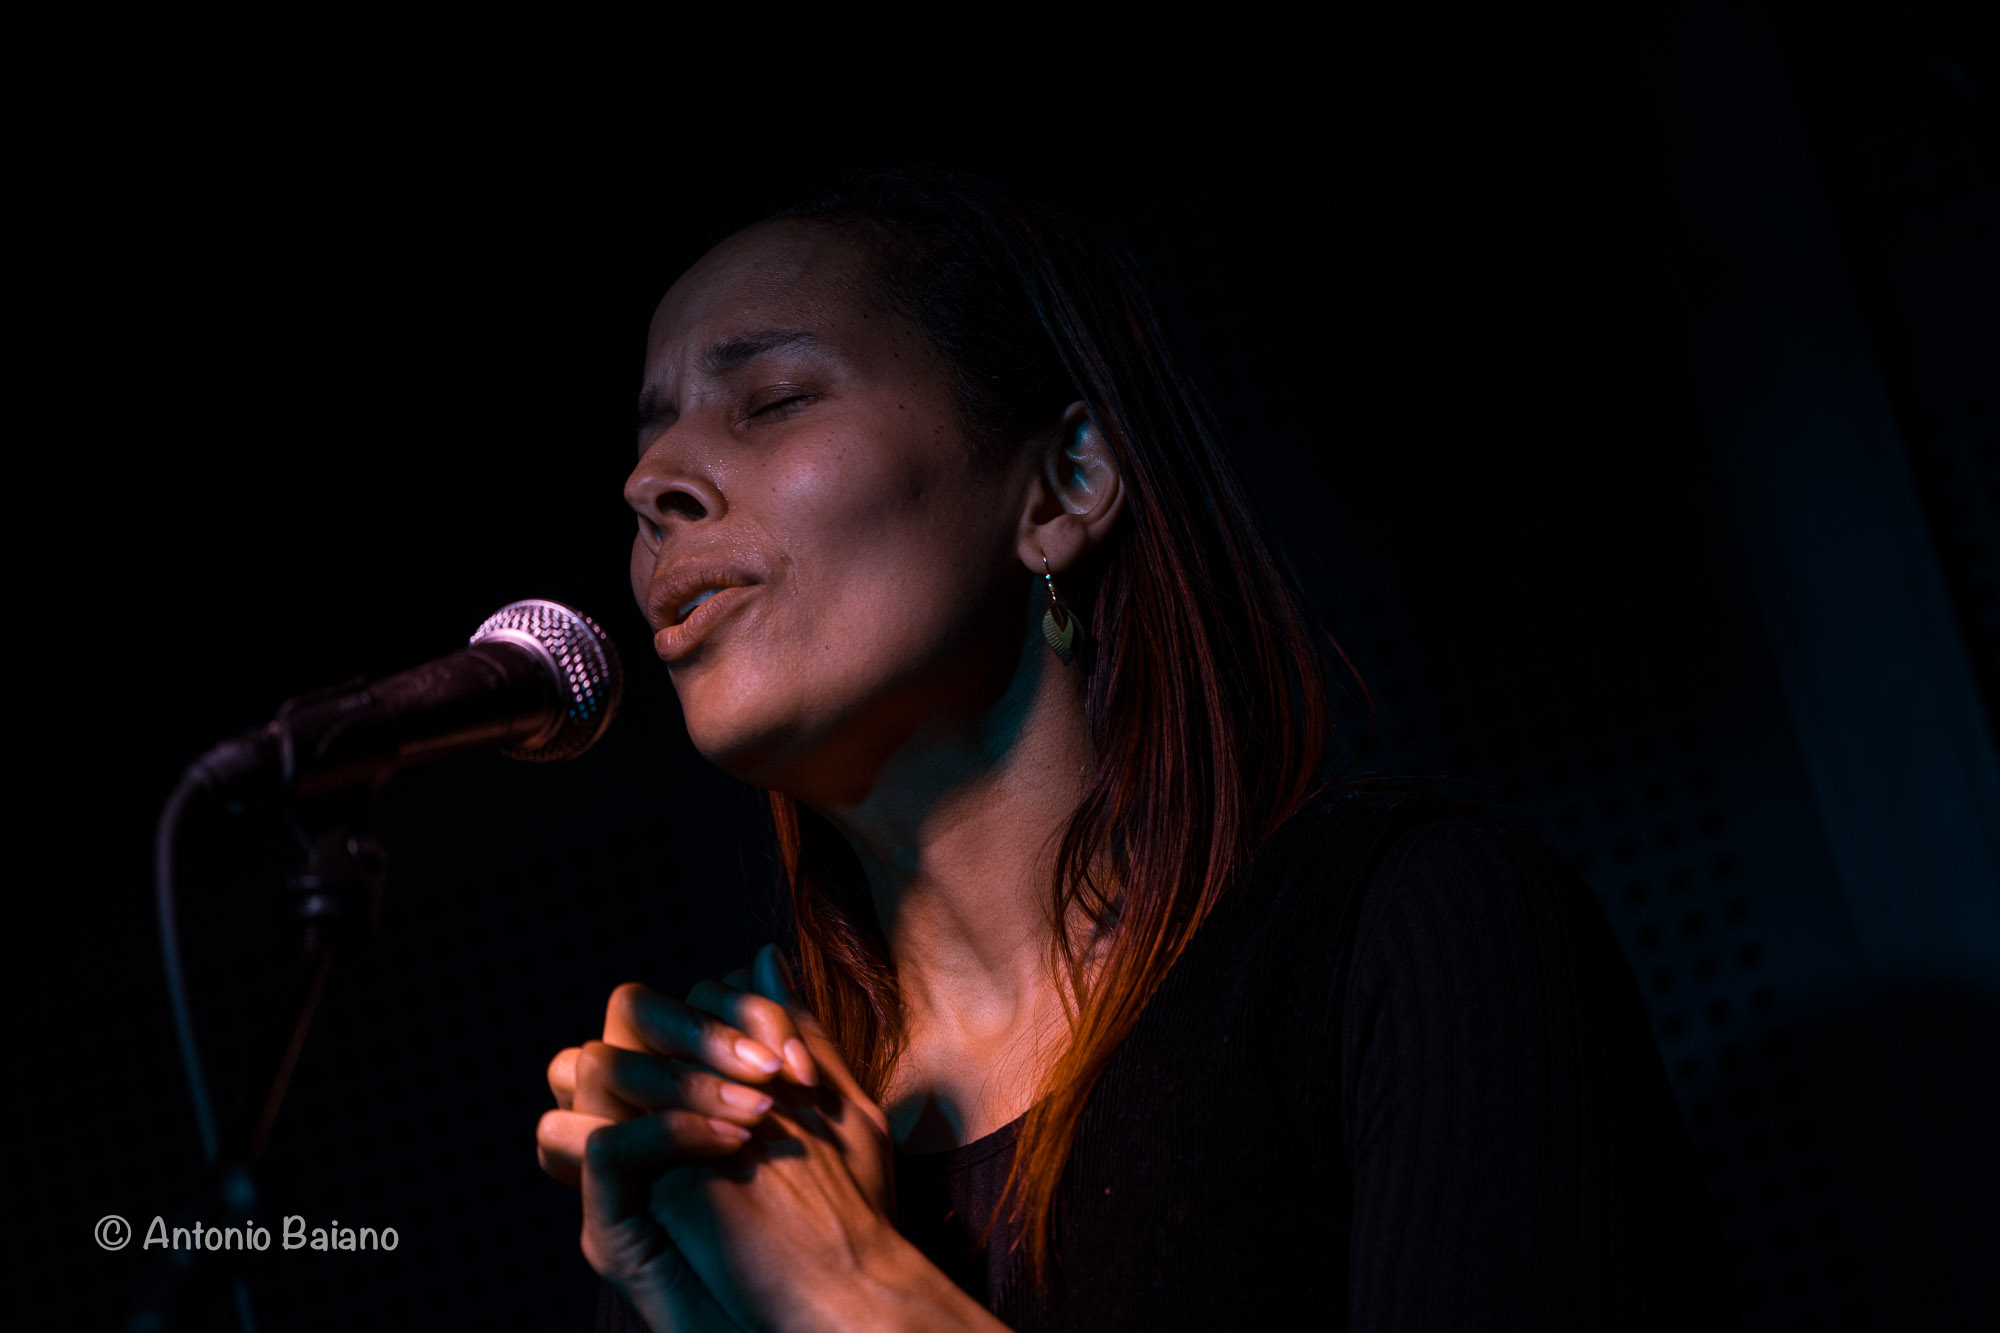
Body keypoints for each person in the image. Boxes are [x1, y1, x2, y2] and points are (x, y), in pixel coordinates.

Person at [533, 168, 1737, 1331]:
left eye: (774, 398)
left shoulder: (1409, 933)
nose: (651, 484)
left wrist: (848, 1292)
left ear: (1062, 483)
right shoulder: (728, 1145)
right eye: (649, 439)